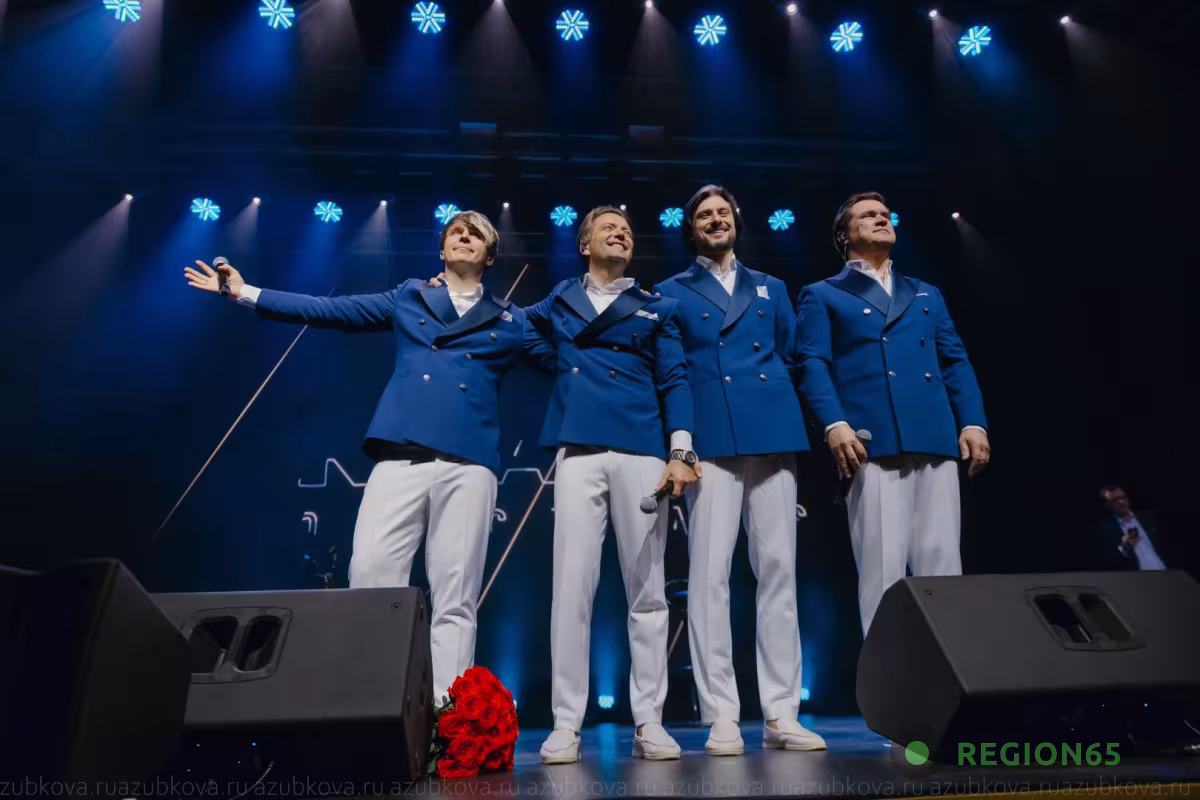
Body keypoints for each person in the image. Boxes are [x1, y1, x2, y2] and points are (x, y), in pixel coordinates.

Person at [183, 211, 552, 704]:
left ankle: (447, 716)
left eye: (476, 235)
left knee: (457, 595)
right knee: (371, 577)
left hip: (470, 462)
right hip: (399, 454)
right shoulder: (409, 296)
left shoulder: (512, 319)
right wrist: (244, 292)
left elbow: (571, 364)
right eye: (455, 232)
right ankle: (373, 701)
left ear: (489, 256)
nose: (464, 236)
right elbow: (330, 310)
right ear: (442, 250)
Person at [524, 206, 700, 764]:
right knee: (571, 590)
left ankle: (650, 721)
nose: (621, 232)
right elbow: (513, 328)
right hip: (578, 447)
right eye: (608, 228)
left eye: (626, 229)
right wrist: (563, 367)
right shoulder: (559, 298)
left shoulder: (657, 306)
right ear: (584, 245)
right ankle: (565, 724)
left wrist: (680, 450)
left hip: (641, 448)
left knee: (647, 592)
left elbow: (675, 378)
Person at [652, 186, 824, 756]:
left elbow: (791, 357)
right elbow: (672, 372)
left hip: (773, 433)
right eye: (704, 215)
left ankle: (781, 712)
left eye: (722, 212)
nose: (715, 220)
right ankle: (721, 713)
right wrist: (680, 444)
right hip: (710, 438)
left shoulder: (771, 287)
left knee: (778, 572)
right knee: (709, 578)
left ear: (736, 221)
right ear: (691, 228)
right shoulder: (671, 292)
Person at [795, 192, 990, 637]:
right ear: (844, 236)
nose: (881, 219)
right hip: (872, 442)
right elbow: (812, 364)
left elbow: (954, 361)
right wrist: (834, 424)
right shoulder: (823, 294)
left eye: (885, 214)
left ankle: (950, 670)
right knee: (883, 572)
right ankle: (890, 678)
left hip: (934, 436)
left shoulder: (925, 292)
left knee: (943, 566)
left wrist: (973, 422)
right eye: (868, 215)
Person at [1095, 486, 1169, 571]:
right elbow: (1107, 563)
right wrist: (1124, 548)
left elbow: (1166, 545)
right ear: (1108, 505)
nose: (1121, 502)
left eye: (1122, 497)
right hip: (1138, 577)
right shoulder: (1107, 531)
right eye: (1115, 500)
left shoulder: (1148, 517)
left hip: (1166, 573)